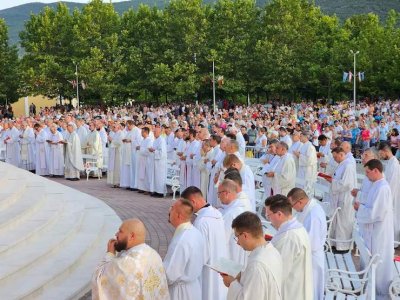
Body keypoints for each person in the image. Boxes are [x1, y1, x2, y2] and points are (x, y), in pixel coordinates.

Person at [92, 218, 169, 300]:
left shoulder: (126, 263)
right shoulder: (154, 254)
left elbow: (100, 277)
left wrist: (110, 253)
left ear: (131, 236)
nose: (116, 234)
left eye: (120, 231)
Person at [354, 159, 394, 299]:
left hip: (379, 231)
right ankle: (369, 288)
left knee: (379, 260)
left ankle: (379, 293)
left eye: (367, 172)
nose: (366, 175)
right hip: (372, 230)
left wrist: (360, 208)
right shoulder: (376, 185)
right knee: (371, 258)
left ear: (376, 171)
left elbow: (376, 213)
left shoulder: (382, 187)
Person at [221, 212, 282, 300]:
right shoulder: (272, 251)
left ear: (245, 235)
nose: (237, 242)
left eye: (237, 237)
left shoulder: (256, 265)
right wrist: (241, 276)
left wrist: (231, 283)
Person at [181, 186, 227, 300]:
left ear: (193, 202)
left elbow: (201, 255)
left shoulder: (201, 222)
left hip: (208, 271)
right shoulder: (218, 214)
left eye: (187, 205)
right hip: (220, 265)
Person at [265, 194, 313, 300]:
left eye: (268, 215)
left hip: (290, 292)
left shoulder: (289, 237)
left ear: (279, 214)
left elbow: (278, 272)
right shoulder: (298, 228)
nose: (269, 219)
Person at [287, 188, 327, 300]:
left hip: (312, 258)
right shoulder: (308, 209)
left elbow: (311, 243)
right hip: (309, 255)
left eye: (292, 205)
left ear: (300, 202)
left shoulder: (313, 215)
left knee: (311, 290)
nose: (293, 209)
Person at [163, 198, 205, 300]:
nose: (169, 211)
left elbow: (170, 274)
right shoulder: (195, 232)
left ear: (178, 215)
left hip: (180, 293)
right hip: (193, 288)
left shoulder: (181, 240)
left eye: (172, 209)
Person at [324, 146, 357, 251]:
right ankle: (335, 244)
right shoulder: (342, 165)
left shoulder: (348, 166)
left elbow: (346, 184)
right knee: (337, 222)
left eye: (335, 157)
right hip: (338, 197)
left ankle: (343, 246)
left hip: (345, 198)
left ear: (341, 154)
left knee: (343, 222)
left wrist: (332, 181)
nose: (334, 159)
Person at [218, 179, 248, 267]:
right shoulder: (237, 207)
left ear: (226, 193)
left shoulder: (231, 213)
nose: (218, 197)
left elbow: (222, 238)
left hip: (231, 254)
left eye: (219, 193)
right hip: (237, 253)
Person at [377, 142, 400, 242]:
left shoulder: (394, 164)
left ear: (385, 151)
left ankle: (393, 241)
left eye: (381, 153)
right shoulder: (390, 162)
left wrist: (385, 198)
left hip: (392, 196)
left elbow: (392, 185)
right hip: (388, 195)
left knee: (393, 218)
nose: (380, 156)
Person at [293, 131, 317, 197]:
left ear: (306, 137)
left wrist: (299, 155)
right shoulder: (304, 146)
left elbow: (309, 160)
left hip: (307, 171)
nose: (299, 138)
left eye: (301, 136)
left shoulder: (310, 147)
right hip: (302, 169)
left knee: (306, 188)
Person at [149, 124, 167, 197]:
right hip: (155, 161)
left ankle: (160, 192)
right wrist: (152, 150)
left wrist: (154, 150)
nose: (154, 133)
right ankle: (156, 190)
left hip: (160, 163)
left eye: (155, 132)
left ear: (159, 132)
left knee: (160, 177)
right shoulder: (155, 140)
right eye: (153, 132)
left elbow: (162, 153)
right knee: (156, 177)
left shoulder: (161, 140)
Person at [136, 127, 153, 194]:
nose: (141, 133)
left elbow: (148, 151)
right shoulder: (143, 140)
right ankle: (142, 188)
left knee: (146, 174)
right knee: (141, 173)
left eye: (142, 132)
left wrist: (140, 148)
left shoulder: (149, 140)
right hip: (142, 159)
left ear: (146, 132)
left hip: (147, 160)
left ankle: (147, 189)